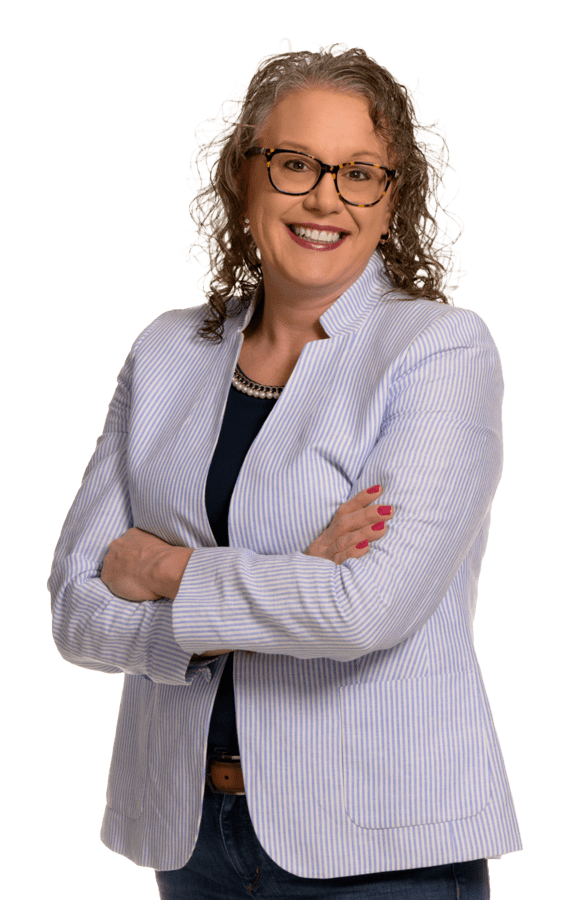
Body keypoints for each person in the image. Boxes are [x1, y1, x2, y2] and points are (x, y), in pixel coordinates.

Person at [48, 39, 522, 899]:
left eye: (359, 173)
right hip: (193, 837)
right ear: (243, 176)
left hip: (383, 847)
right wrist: (291, 577)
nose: (325, 198)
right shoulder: (164, 352)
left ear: (393, 198)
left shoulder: (440, 350)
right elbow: (77, 611)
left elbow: (362, 610)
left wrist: (166, 572)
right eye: (295, 163)